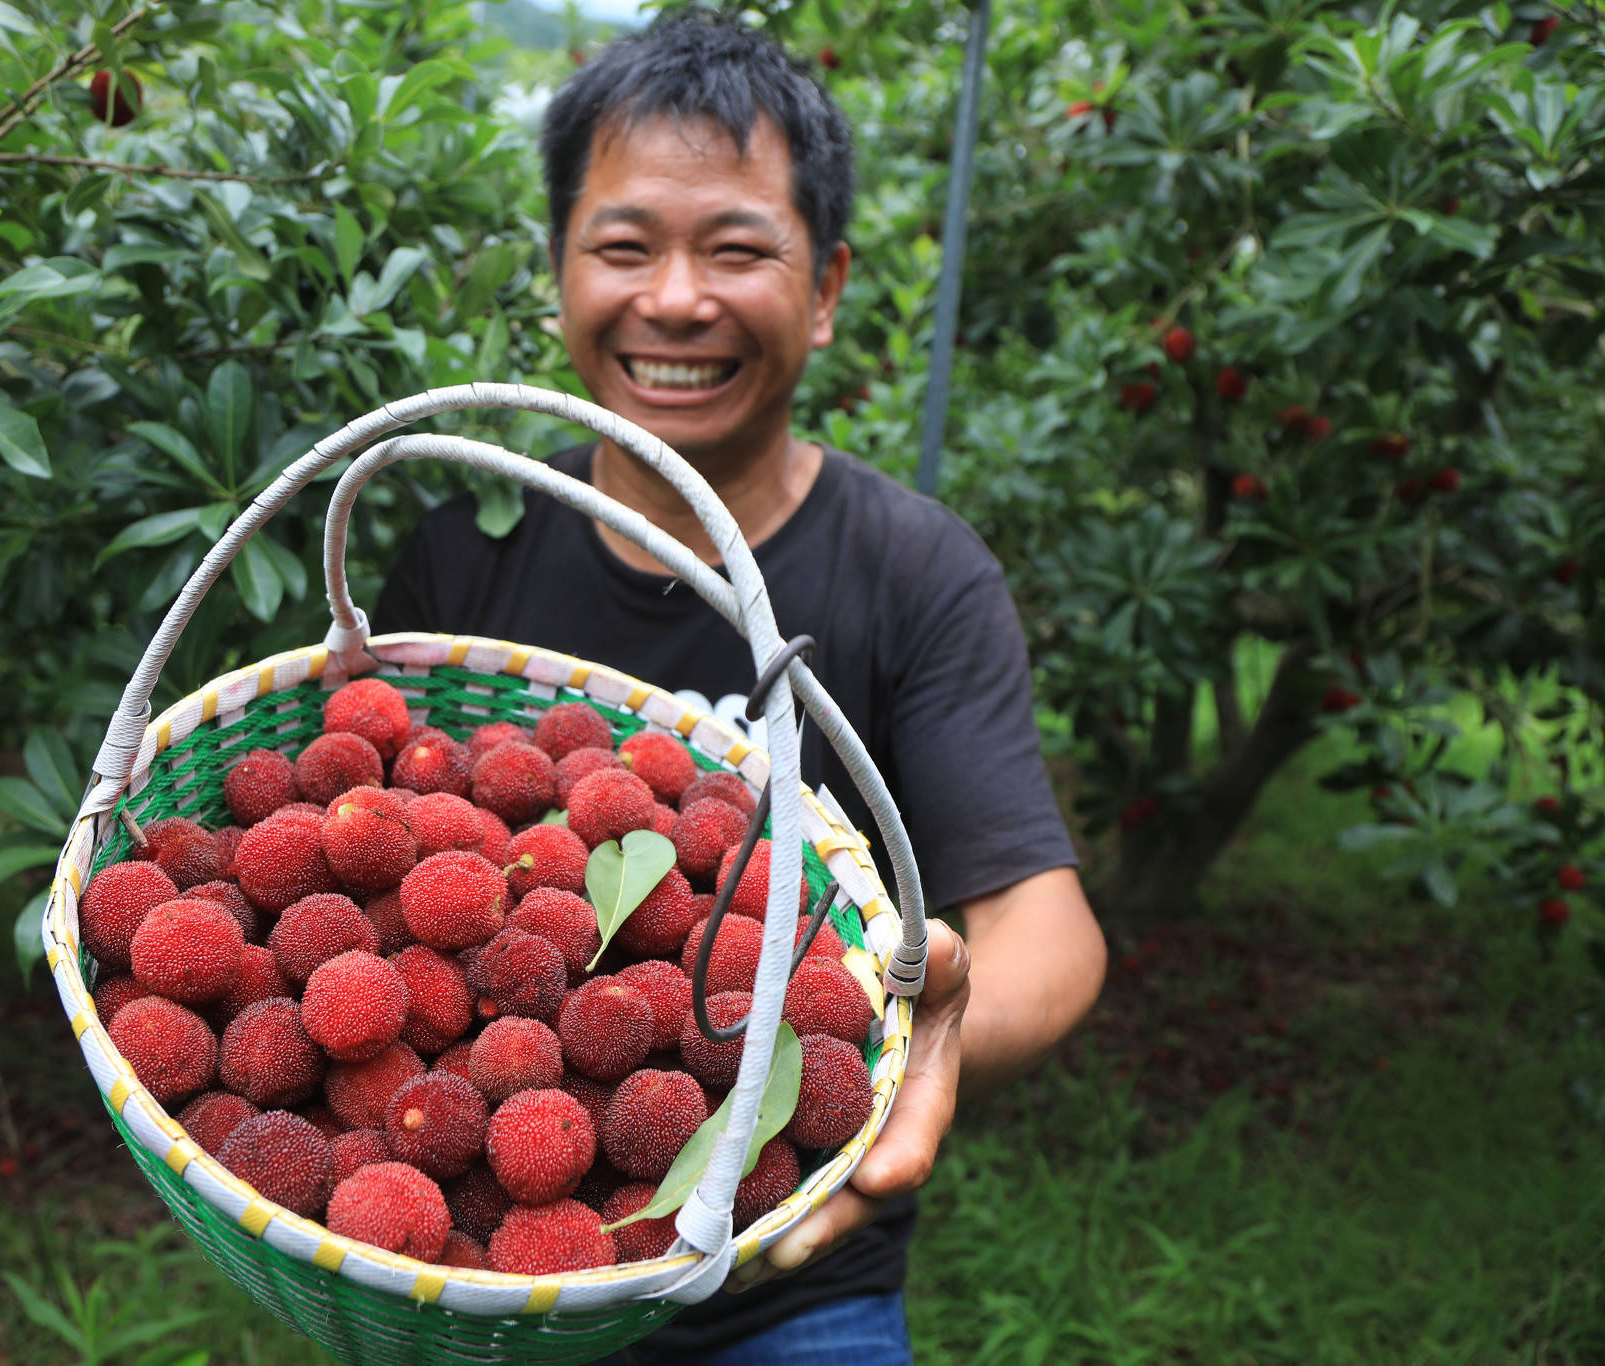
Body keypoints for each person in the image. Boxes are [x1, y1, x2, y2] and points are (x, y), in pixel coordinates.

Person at [372, 8, 1108, 1362]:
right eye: (626, 245)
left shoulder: (911, 572)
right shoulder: (458, 555)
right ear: (559, 274)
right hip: (465, 1284)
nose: (675, 299)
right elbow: (369, 882)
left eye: (734, 249)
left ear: (825, 288)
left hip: (789, 1280)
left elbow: (1045, 928)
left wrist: (935, 1026)